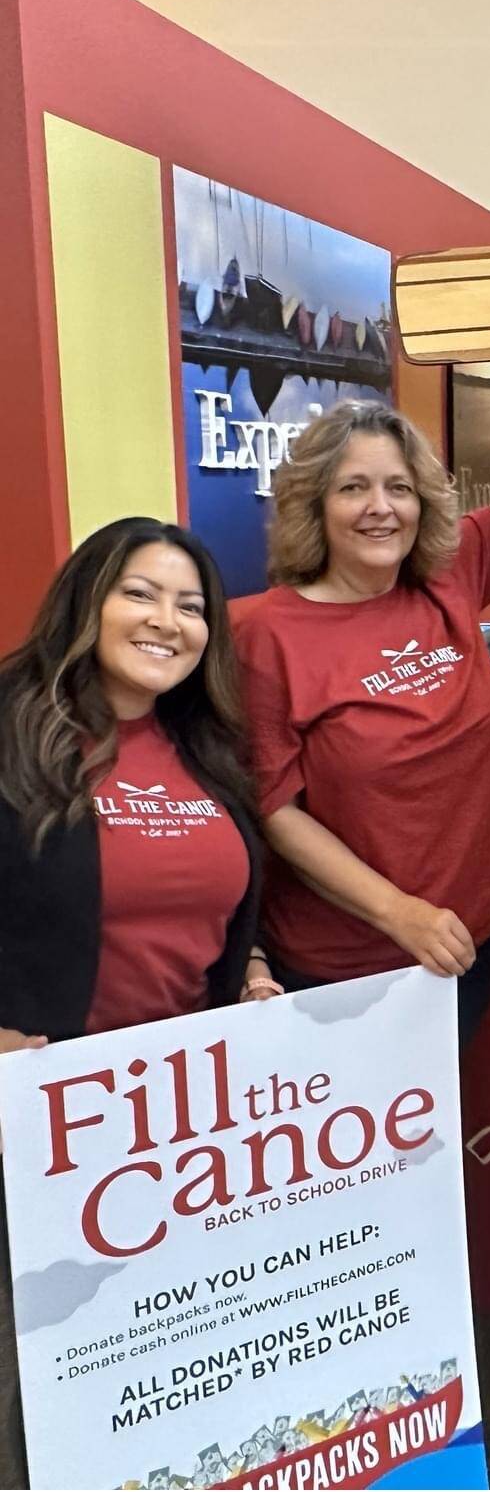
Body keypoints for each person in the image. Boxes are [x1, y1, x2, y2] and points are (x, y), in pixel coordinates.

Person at [0, 518, 276, 1488]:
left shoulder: (202, 741)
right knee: (52, 1369)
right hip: (46, 1119)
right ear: (88, 599)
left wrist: (246, 967)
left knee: (164, 1355)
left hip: (176, 1119)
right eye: (141, 593)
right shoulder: (11, 722)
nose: (168, 620)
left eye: (192, 605)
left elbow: (214, 896)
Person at [233, 325, 490, 1042]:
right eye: (353, 488)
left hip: (464, 945)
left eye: (399, 488)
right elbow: (274, 808)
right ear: (314, 505)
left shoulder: (449, 578)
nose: (380, 507)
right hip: (343, 968)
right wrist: (399, 913)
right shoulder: (266, 633)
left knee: (435, 1144)